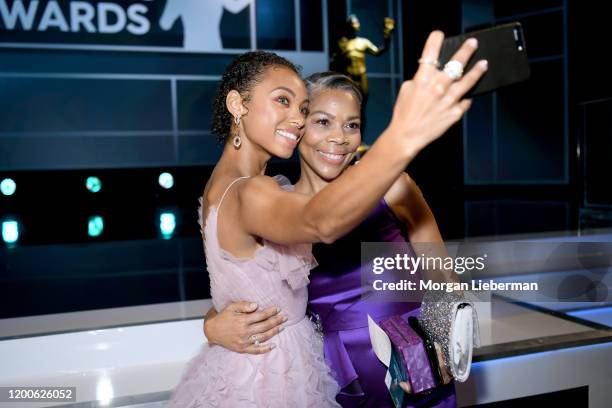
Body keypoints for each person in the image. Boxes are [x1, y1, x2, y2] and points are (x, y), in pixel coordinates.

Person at [169, 32, 487, 407]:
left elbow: (441, 273)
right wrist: (213, 324)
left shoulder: (393, 187)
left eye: (351, 125)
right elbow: (262, 284)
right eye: (320, 121)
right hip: (335, 375)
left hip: (417, 366)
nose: (338, 137)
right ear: (301, 132)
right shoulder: (277, 204)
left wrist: (444, 345)